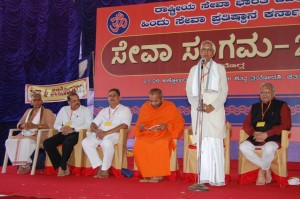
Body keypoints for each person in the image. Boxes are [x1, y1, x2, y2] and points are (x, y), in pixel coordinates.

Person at [186, 40, 228, 186]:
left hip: (214, 111)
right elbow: (189, 91)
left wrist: (213, 106)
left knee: (214, 143)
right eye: (203, 49)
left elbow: (224, 92)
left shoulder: (220, 69)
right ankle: (203, 178)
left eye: (209, 49)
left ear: (213, 52)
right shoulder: (193, 70)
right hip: (199, 111)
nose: (206, 51)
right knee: (203, 145)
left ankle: (217, 178)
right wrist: (198, 104)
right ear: (200, 51)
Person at [239, 83, 291, 185]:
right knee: (243, 147)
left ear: (273, 93)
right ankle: (267, 168)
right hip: (256, 137)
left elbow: (286, 125)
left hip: (273, 137)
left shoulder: (281, 105)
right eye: (262, 92)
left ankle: (261, 171)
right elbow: (246, 124)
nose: (265, 94)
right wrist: (253, 133)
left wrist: (267, 134)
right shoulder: (255, 107)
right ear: (259, 94)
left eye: (267, 91)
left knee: (268, 148)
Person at [133, 88, 185, 183]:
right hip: (148, 133)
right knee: (139, 144)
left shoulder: (170, 106)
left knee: (161, 143)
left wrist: (167, 126)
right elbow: (139, 125)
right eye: (151, 101)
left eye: (156, 101)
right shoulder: (145, 107)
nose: (153, 103)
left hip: (165, 133)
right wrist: (141, 127)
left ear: (162, 98)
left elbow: (179, 122)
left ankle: (159, 173)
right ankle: (147, 173)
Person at [82, 88, 132, 178]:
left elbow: (124, 125)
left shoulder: (125, 110)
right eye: (110, 96)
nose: (112, 98)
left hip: (115, 134)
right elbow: (93, 124)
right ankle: (100, 166)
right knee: (85, 142)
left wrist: (106, 133)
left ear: (119, 97)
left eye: (114, 95)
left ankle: (105, 170)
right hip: (100, 134)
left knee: (107, 142)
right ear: (107, 98)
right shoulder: (103, 110)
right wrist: (98, 131)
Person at [43, 92, 92, 177]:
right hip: (64, 132)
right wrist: (61, 128)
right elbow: (56, 124)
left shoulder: (85, 110)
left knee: (67, 142)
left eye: (78, 100)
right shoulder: (64, 109)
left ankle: (62, 167)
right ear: (68, 102)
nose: (77, 102)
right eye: (74, 101)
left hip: (77, 133)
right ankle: (63, 165)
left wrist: (73, 129)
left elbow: (89, 124)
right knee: (47, 143)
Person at [5, 92, 55, 174]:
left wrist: (35, 126)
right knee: (8, 141)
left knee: (26, 142)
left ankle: (23, 165)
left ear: (42, 101)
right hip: (24, 134)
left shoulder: (47, 111)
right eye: (34, 100)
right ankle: (25, 163)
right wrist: (24, 125)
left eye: (38, 100)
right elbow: (19, 124)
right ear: (31, 102)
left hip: (40, 136)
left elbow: (51, 126)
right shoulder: (28, 111)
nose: (37, 102)